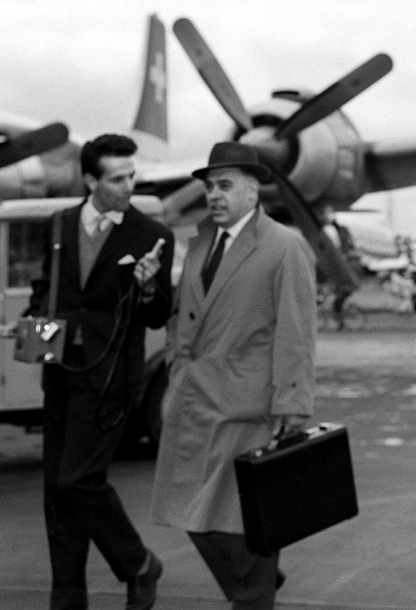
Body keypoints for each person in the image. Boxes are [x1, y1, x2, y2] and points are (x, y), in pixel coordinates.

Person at [149, 142, 317, 610]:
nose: (213, 195)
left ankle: (255, 594)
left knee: (243, 528)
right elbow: (182, 320)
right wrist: (174, 373)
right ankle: (258, 584)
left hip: (248, 410)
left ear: (252, 189)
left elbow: (297, 333)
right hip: (193, 402)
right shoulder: (201, 243)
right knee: (194, 517)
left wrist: (292, 404)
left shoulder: (285, 246)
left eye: (224, 186)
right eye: (208, 187)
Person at [27, 133, 174, 610]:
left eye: (132, 175)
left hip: (111, 377)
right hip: (62, 372)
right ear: (90, 180)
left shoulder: (153, 236)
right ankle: (67, 599)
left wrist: (149, 289)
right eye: (117, 178)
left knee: (78, 482)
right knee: (57, 494)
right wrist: (32, 329)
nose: (129, 185)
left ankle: (139, 564)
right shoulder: (60, 223)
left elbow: (156, 315)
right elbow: (47, 289)